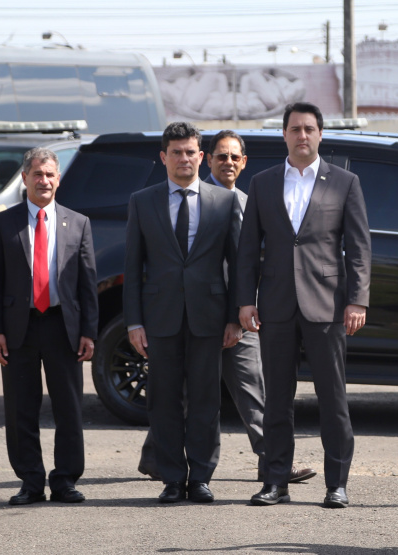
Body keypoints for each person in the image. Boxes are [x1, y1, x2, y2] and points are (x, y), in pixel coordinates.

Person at [137, 130, 316, 485]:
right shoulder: (188, 197)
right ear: (207, 159)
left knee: (253, 388)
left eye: (235, 157)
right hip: (191, 314)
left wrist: (242, 313)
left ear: (244, 162)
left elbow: (248, 263)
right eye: (221, 156)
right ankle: (157, 457)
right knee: (179, 391)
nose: (228, 163)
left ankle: (273, 461)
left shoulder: (251, 201)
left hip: (238, 316)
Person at [237, 102, 371, 508]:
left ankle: (337, 484)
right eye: (295, 129)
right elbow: (248, 250)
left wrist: (357, 300)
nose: (302, 135)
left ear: (320, 134)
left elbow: (359, 248)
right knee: (277, 399)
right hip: (275, 305)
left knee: (333, 398)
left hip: (327, 306)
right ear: (284, 134)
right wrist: (245, 301)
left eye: (309, 129)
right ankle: (275, 481)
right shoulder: (262, 183)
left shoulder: (345, 182)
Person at [124, 121, 242, 504]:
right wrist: (134, 322)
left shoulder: (224, 202)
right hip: (160, 318)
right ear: (163, 157)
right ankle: (172, 478)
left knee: (207, 401)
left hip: (210, 317)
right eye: (176, 152)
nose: (184, 158)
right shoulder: (142, 201)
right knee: (163, 401)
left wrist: (235, 318)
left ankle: (201, 478)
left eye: (190, 152)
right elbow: (133, 266)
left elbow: (238, 264)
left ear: (201, 156)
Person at [0, 147, 98, 505]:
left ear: (58, 179)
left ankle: (65, 480)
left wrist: (89, 331)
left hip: (63, 326)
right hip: (18, 329)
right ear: (25, 178)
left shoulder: (78, 223)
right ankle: (30, 481)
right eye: (37, 174)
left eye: (50, 174)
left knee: (69, 408)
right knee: (21, 408)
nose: (44, 181)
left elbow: (87, 283)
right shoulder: (4, 222)